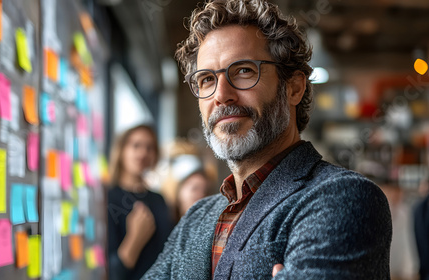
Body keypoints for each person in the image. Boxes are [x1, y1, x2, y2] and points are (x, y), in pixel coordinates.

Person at [142, 0, 392, 279]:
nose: (221, 95)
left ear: (294, 88)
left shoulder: (342, 199)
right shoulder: (196, 218)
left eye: (244, 71)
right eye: (207, 79)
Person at [106, 125, 173, 280]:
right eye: (136, 145)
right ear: (121, 150)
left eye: (149, 148)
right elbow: (111, 272)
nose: (143, 153)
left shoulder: (159, 200)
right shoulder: (108, 199)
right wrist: (135, 239)